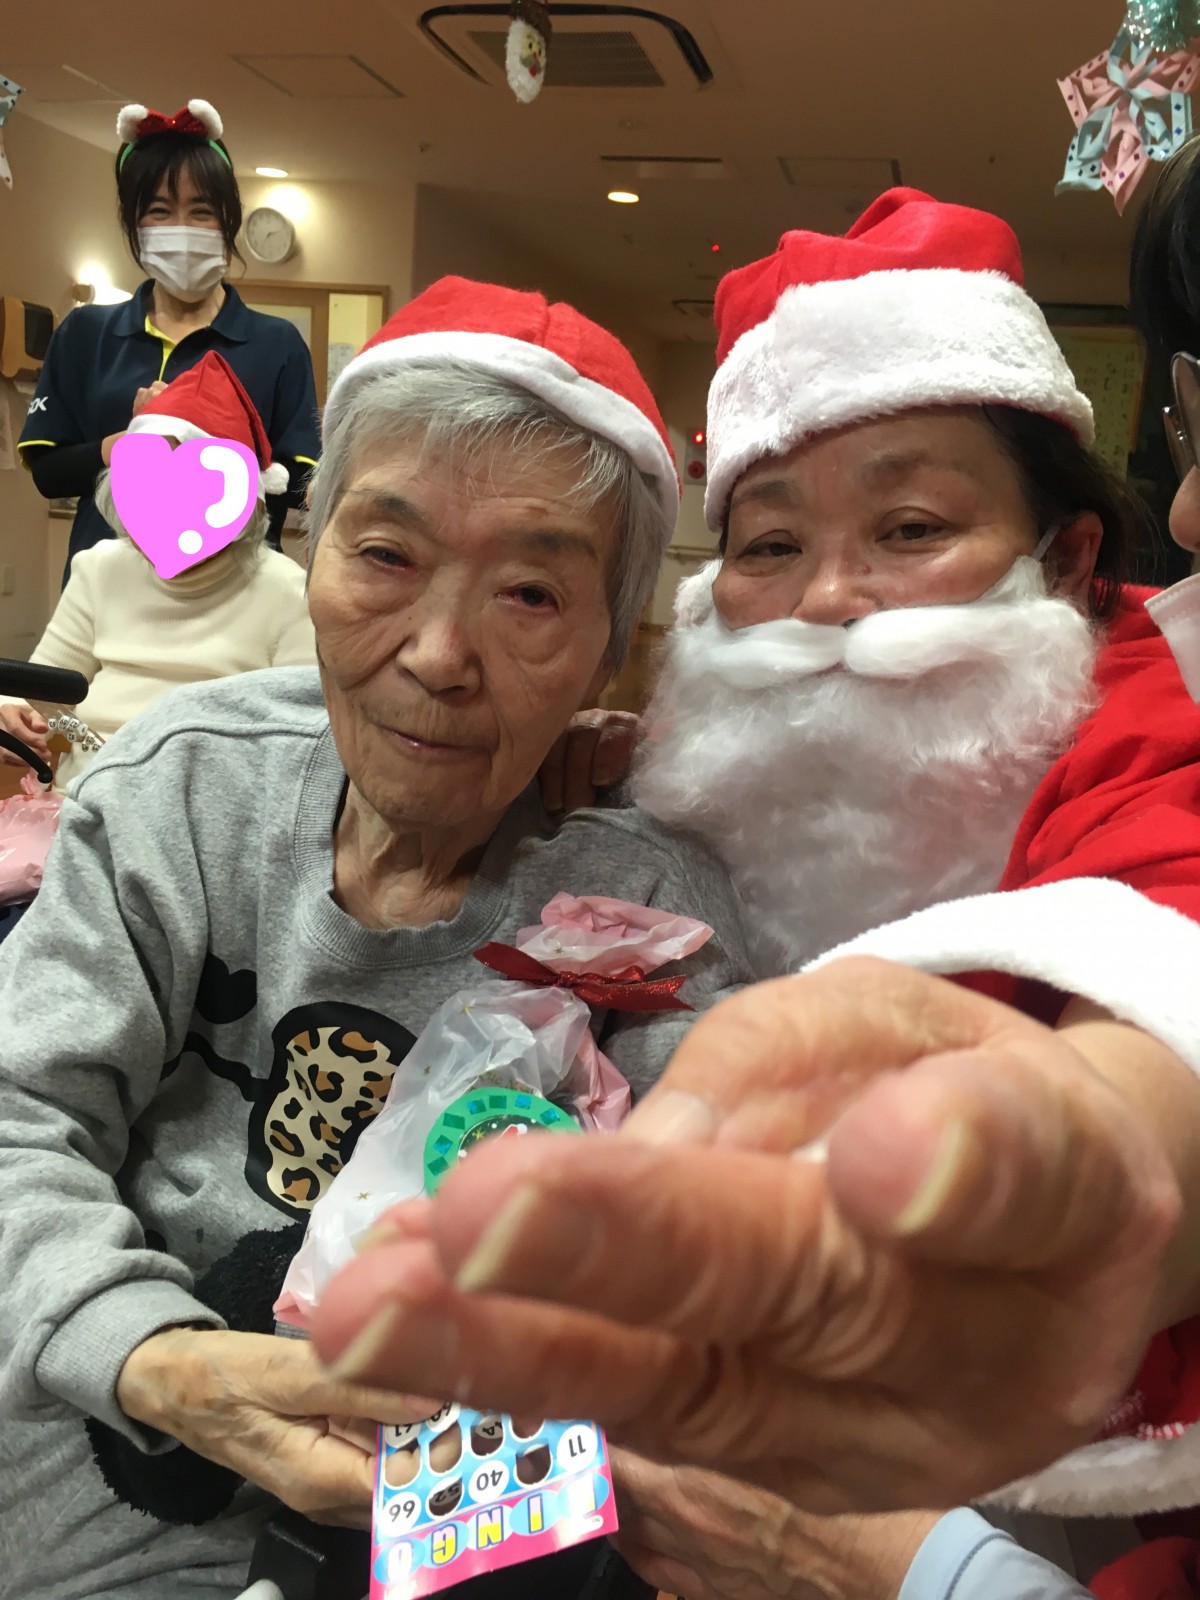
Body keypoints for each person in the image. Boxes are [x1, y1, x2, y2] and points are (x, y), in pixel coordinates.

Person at [311, 190, 1200, 1593]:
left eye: (911, 527)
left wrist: (1079, 1185)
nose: (832, 600)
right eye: (772, 546)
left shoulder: (1150, 722)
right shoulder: (682, 765)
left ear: (1071, 559)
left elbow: (1168, 953)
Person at [0, 276, 752, 1600]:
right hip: (97, 1453)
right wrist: (153, 1355)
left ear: (610, 656)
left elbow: (694, 1297)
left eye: (531, 594)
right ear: (315, 559)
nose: (439, 654)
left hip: (437, 1527)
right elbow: (20, 1116)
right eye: (388, 557)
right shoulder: (186, 788)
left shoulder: (653, 912)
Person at [17, 99, 319, 575]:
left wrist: (195, 440)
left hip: (236, 593)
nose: (181, 228)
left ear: (228, 221)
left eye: (201, 212)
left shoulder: (276, 343)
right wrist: (129, 444)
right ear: (133, 223)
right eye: (159, 211)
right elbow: (49, 474)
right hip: (106, 589)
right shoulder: (85, 333)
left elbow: (299, 483)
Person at [0, 351, 315, 790]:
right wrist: (16, 713)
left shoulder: (288, 592)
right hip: (84, 795)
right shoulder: (100, 567)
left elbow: (298, 745)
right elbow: (43, 694)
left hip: (209, 804)